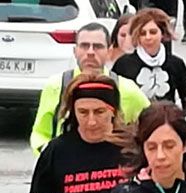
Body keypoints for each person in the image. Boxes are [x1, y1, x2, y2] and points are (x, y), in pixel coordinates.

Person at [31, 23, 150, 154]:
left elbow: (151, 127)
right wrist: (51, 158)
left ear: (109, 51)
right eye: (84, 46)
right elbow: (40, 134)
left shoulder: (128, 90)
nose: (90, 52)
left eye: (98, 46)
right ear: (75, 51)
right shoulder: (56, 86)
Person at [112, 9, 186, 121]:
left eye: (153, 32)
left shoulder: (176, 64)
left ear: (162, 34)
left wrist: (183, 122)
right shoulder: (123, 64)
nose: (148, 37)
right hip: (134, 129)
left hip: (166, 127)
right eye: (143, 33)